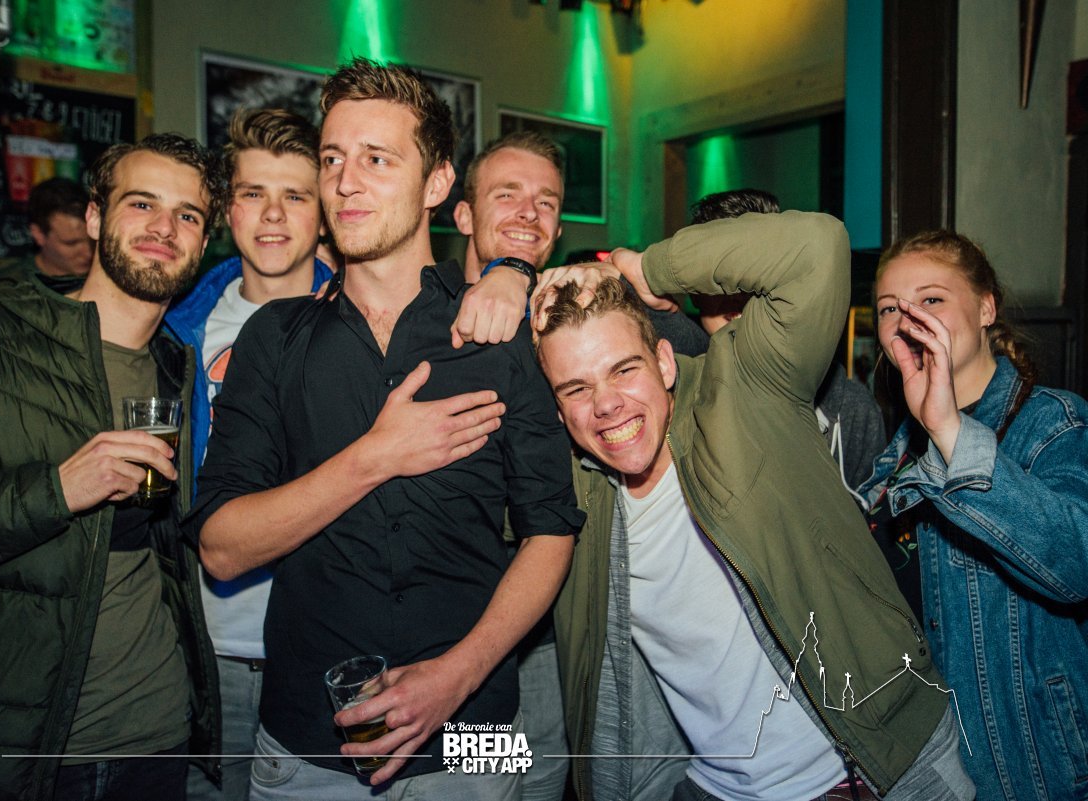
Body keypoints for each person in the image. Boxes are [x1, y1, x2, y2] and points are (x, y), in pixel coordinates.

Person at [189, 58, 583, 801]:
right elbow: (221, 546)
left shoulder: (498, 331)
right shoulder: (274, 336)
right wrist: (376, 456)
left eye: (377, 159)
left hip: (479, 728)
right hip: (309, 741)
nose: (345, 181)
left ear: (437, 184)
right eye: (333, 159)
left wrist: (456, 677)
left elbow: (552, 532)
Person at [529, 211, 974, 801]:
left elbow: (816, 247)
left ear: (664, 362)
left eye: (624, 370)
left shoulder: (742, 388)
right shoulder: (572, 493)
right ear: (557, 408)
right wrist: (509, 277)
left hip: (880, 769)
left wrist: (644, 269)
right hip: (719, 788)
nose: (606, 404)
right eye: (577, 388)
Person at [0, 133, 224, 801]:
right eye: (142, 204)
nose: (164, 228)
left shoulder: (177, 366)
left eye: (187, 214)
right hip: (7, 752)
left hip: (157, 739)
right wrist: (55, 490)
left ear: (205, 239)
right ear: (95, 217)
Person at [860, 230, 1088, 801]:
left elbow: (1077, 563)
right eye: (889, 308)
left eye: (931, 299)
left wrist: (949, 430)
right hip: (938, 765)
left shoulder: (1055, 422)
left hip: (1031, 766)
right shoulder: (899, 448)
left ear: (987, 308)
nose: (908, 319)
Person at [166, 108, 332, 801]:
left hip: (327, 648)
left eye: (295, 195)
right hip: (206, 652)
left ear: (325, 214)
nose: (273, 215)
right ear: (225, 210)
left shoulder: (366, 318)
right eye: (253, 193)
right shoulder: (177, 330)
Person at [687, 189, 886, 492]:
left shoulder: (849, 410)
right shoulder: (671, 392)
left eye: (751, 272)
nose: (736, 294)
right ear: (693, 291)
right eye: (718, 278)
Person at [453, 131, 708, 358]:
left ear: (557, 230)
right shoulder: (436, 309)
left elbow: (701, 357)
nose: (529, 212)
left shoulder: (577, 317)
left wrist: (620, 278)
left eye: (546, 203)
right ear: (465, 217)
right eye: (507, 195)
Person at [0, 176, 94, 295]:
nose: (88, 253)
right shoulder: (4, 290)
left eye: (93, 241)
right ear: (39, 234)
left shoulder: (99, 279)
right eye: (71, 243)